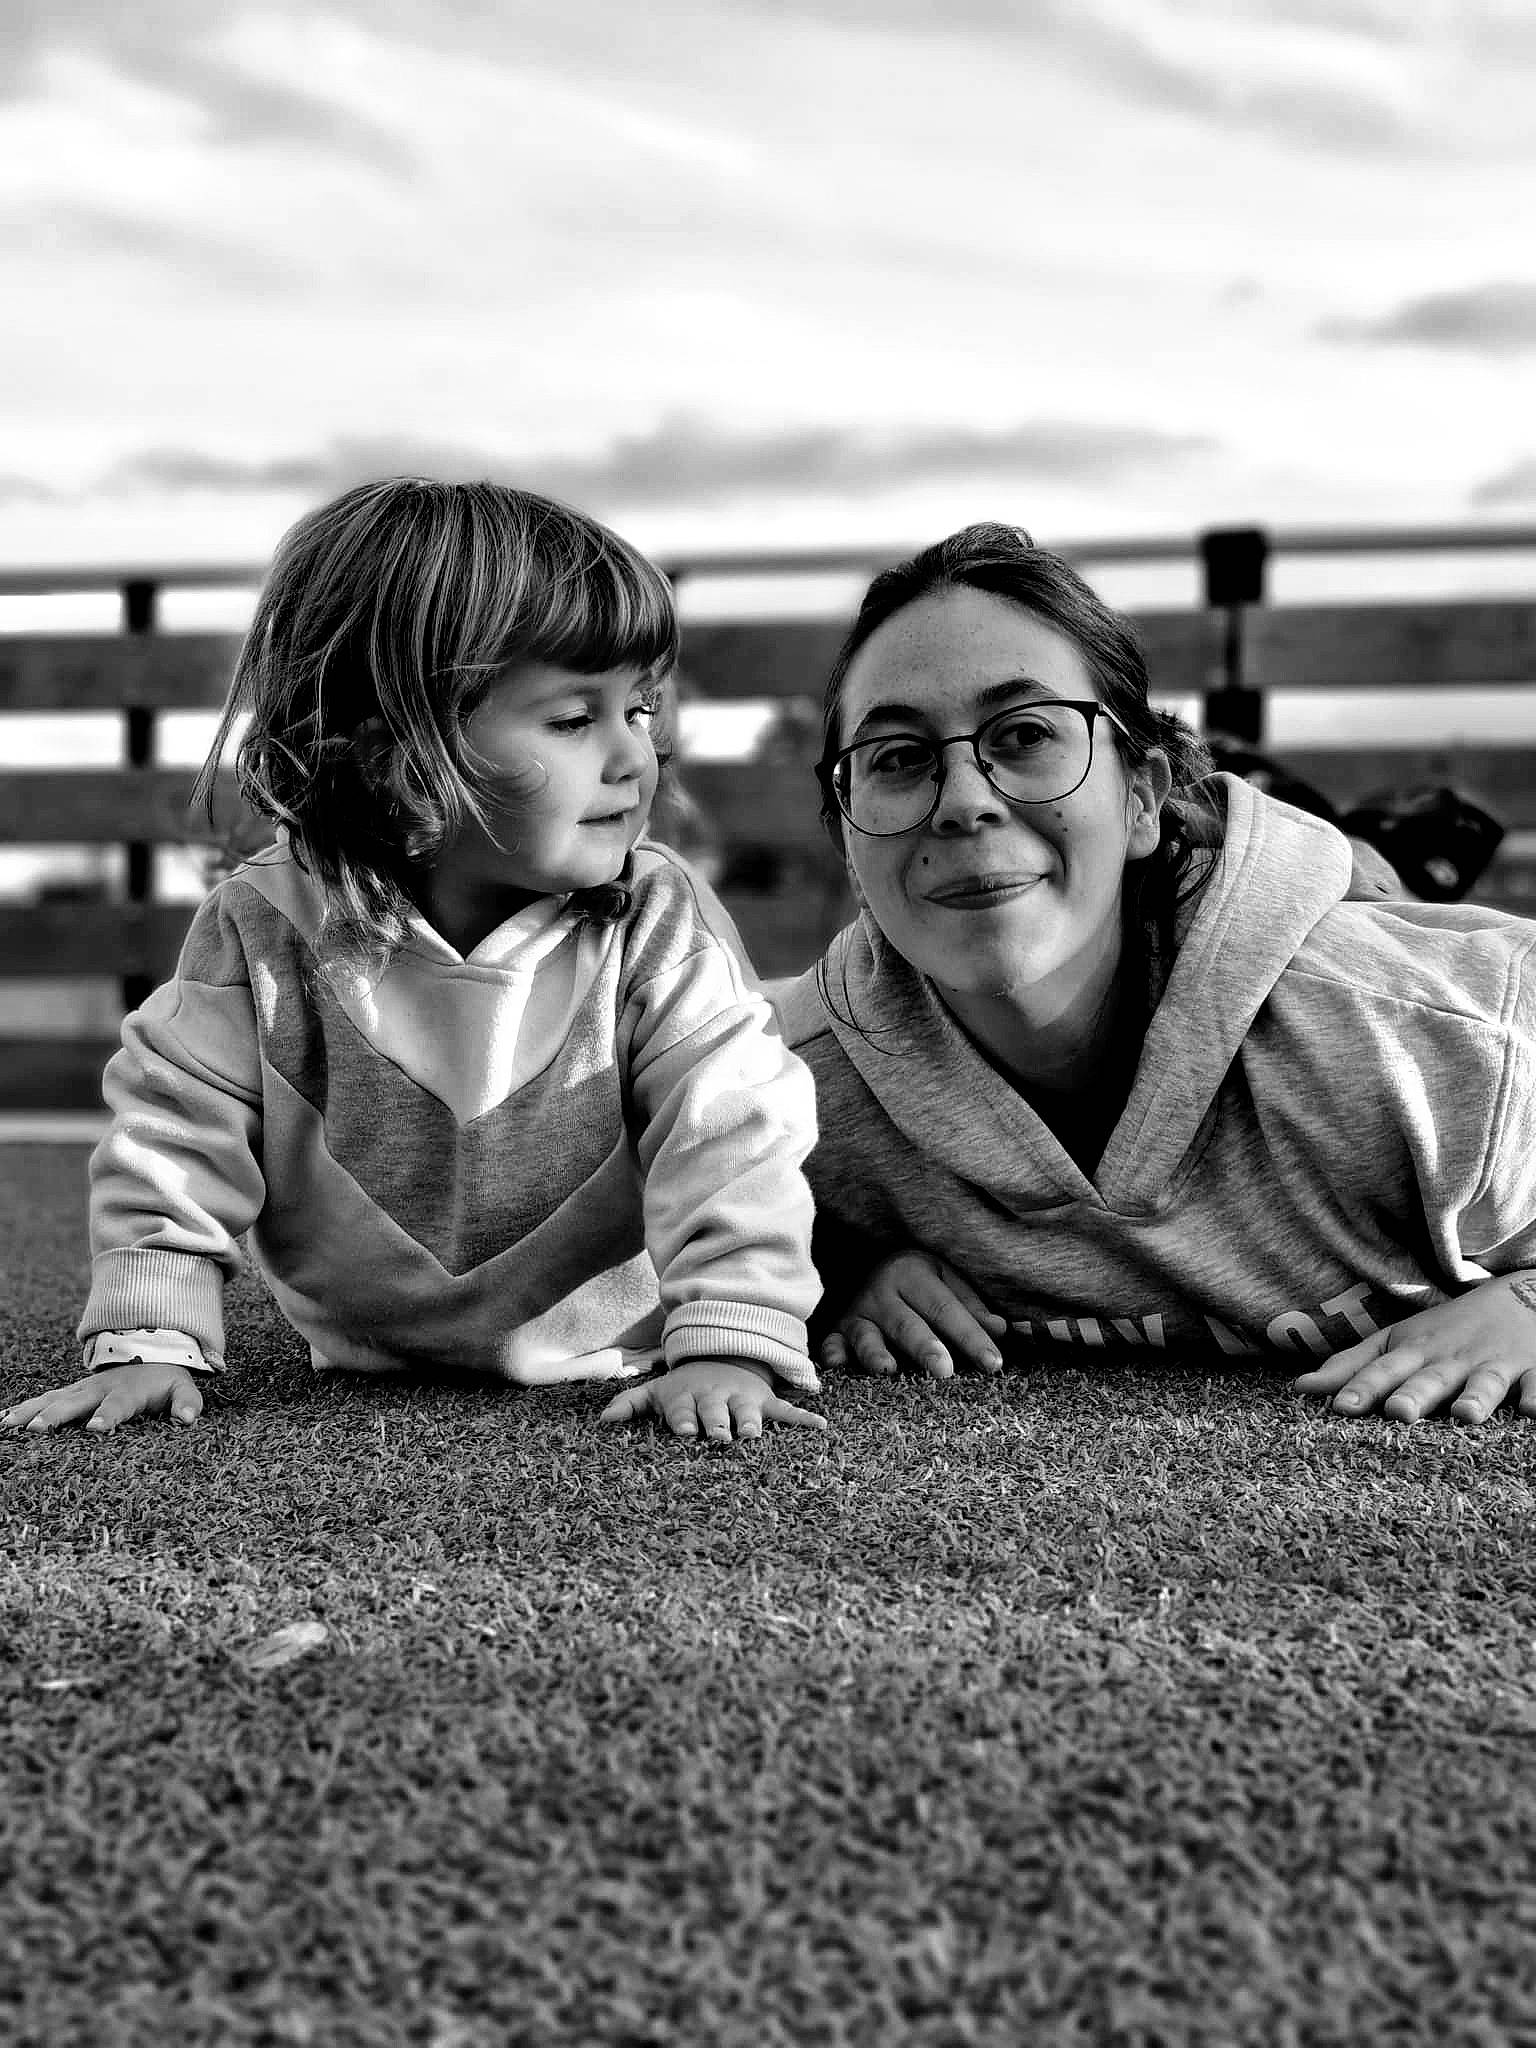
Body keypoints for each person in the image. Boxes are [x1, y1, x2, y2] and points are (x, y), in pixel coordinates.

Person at [3, 480, 825, 1447]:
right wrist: (150, 1338)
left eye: (641, 711)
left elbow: (732, 1130)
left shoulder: (656, 921)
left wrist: (728, 1340)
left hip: (619, 1354)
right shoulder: (266, 926)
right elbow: (177, 1132)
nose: (633, 757)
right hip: (357, 1368)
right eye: (574, 720)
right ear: (399, 753)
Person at [775, 522, 1536, 1427]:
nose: (966, 802)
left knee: (1365, 879)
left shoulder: (1438, 1033)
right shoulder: (785, 1091)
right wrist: (827, 1270)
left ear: (1139, 796)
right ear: (846, 839)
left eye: (1024, 735)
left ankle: (1376, 844)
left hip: (1302, 915)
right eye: (897, 758)